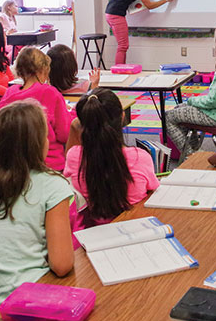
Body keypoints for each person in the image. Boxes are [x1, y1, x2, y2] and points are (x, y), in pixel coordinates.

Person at [0, 101, 73, 321]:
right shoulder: (53, 186)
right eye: (45, 136)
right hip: (38, 307)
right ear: (35, 145)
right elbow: (62, 265)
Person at [64, 88, 159, 228]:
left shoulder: (74, 156)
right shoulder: (140, 157)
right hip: (135, 229)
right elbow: (154, 190)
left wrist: (75, 127)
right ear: (122, 117)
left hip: (92, 233)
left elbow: (70, 184)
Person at [166, 21, 216, 161]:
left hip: (215, 116)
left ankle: (191, 156)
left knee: (168, 116)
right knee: (180, 108)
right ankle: (193, 150)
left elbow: (212, 101)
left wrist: (192, 100)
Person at [0, 47, 72, 171]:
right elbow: (64, 134)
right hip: (49, 163)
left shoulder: (9, 93)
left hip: (14, 164)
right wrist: (73, 113)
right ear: (42, 71)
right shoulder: (50, 93)